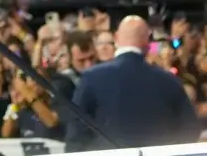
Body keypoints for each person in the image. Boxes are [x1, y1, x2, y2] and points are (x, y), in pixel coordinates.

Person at [65, 15, 200, 151]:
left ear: (116, 38)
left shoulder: (92, 77)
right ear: (147, 42)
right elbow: (190, 130)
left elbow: (76, 134)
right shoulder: (169, 80)